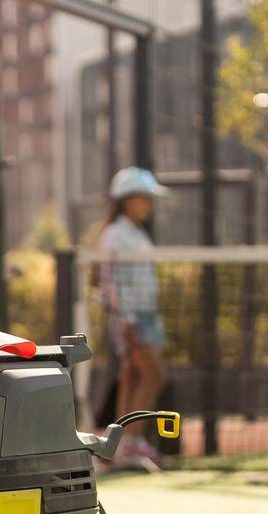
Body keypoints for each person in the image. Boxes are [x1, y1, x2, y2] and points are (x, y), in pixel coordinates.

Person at [93, 166, 170, 469]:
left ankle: (119, 447)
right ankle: (130, 444)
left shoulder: (136, 234)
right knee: (155, 375)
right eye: (144, 198)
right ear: (127, 200)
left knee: (133, 378)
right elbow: (111, 283)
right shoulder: (115, 236)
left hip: (146, 316)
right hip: (131, 319)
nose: (149, 204)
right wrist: (127, 321)